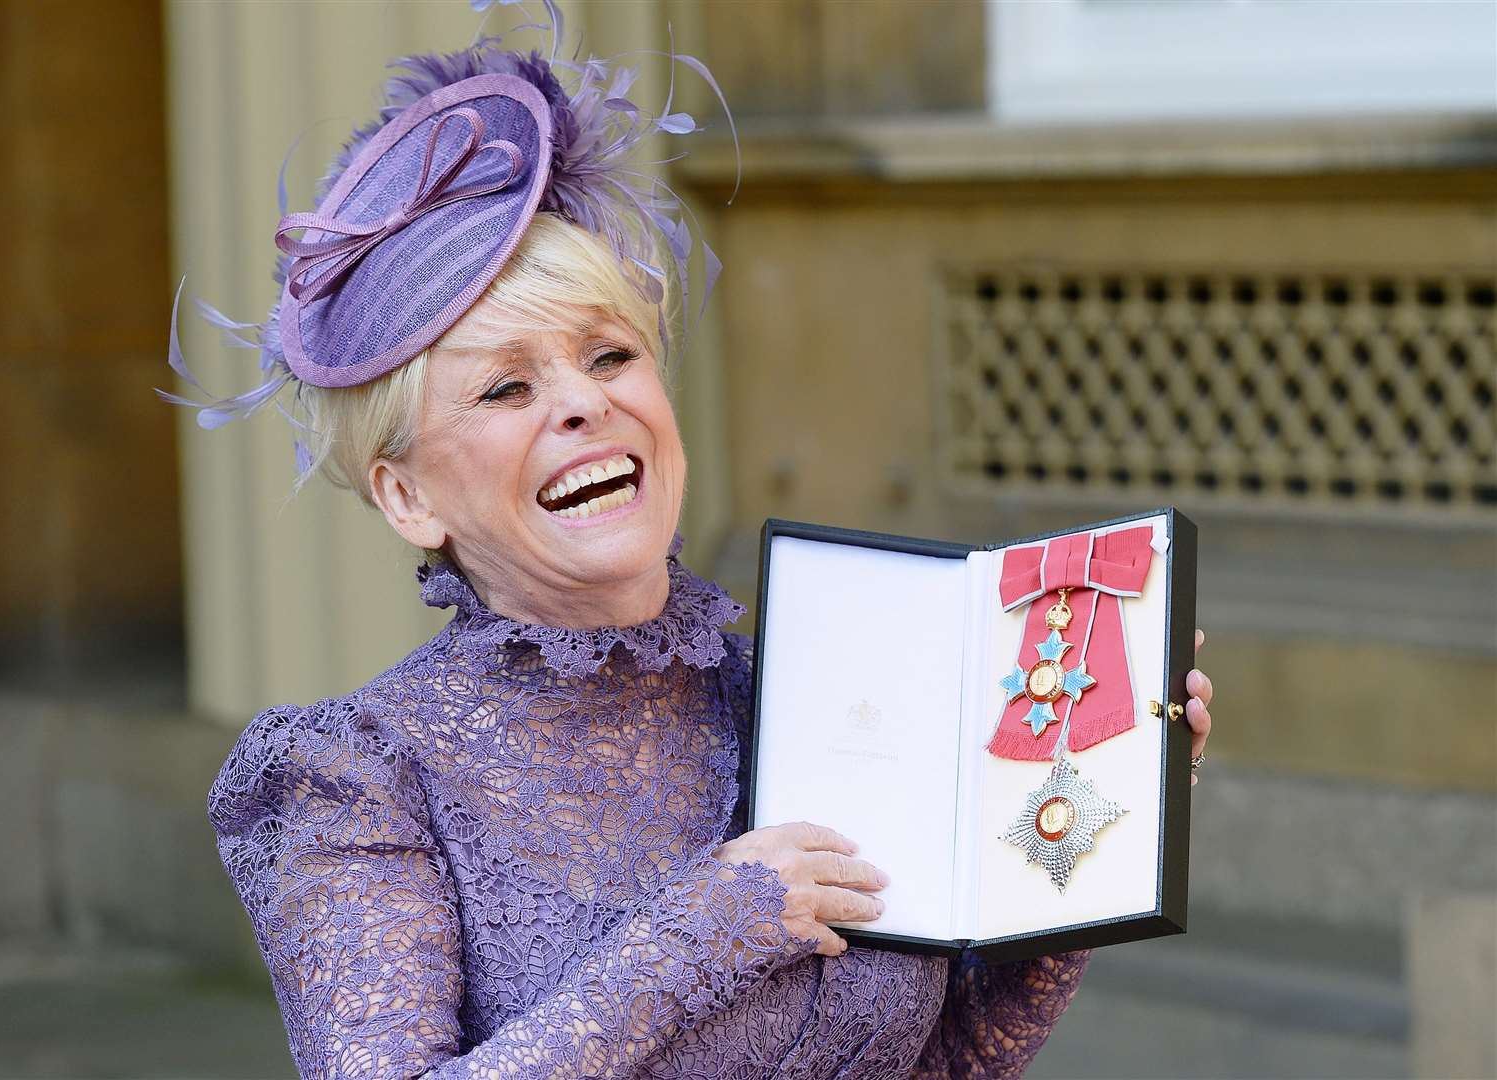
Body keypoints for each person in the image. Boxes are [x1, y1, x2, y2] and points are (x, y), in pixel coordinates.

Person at [164, 4, 1216, 1077]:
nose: (582, 403)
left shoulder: (809, 700)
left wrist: (1102, 830)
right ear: (406, 498)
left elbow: (939, 1059)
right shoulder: (355, 775)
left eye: (611, 355)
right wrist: (699, 936)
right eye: (508, 385)